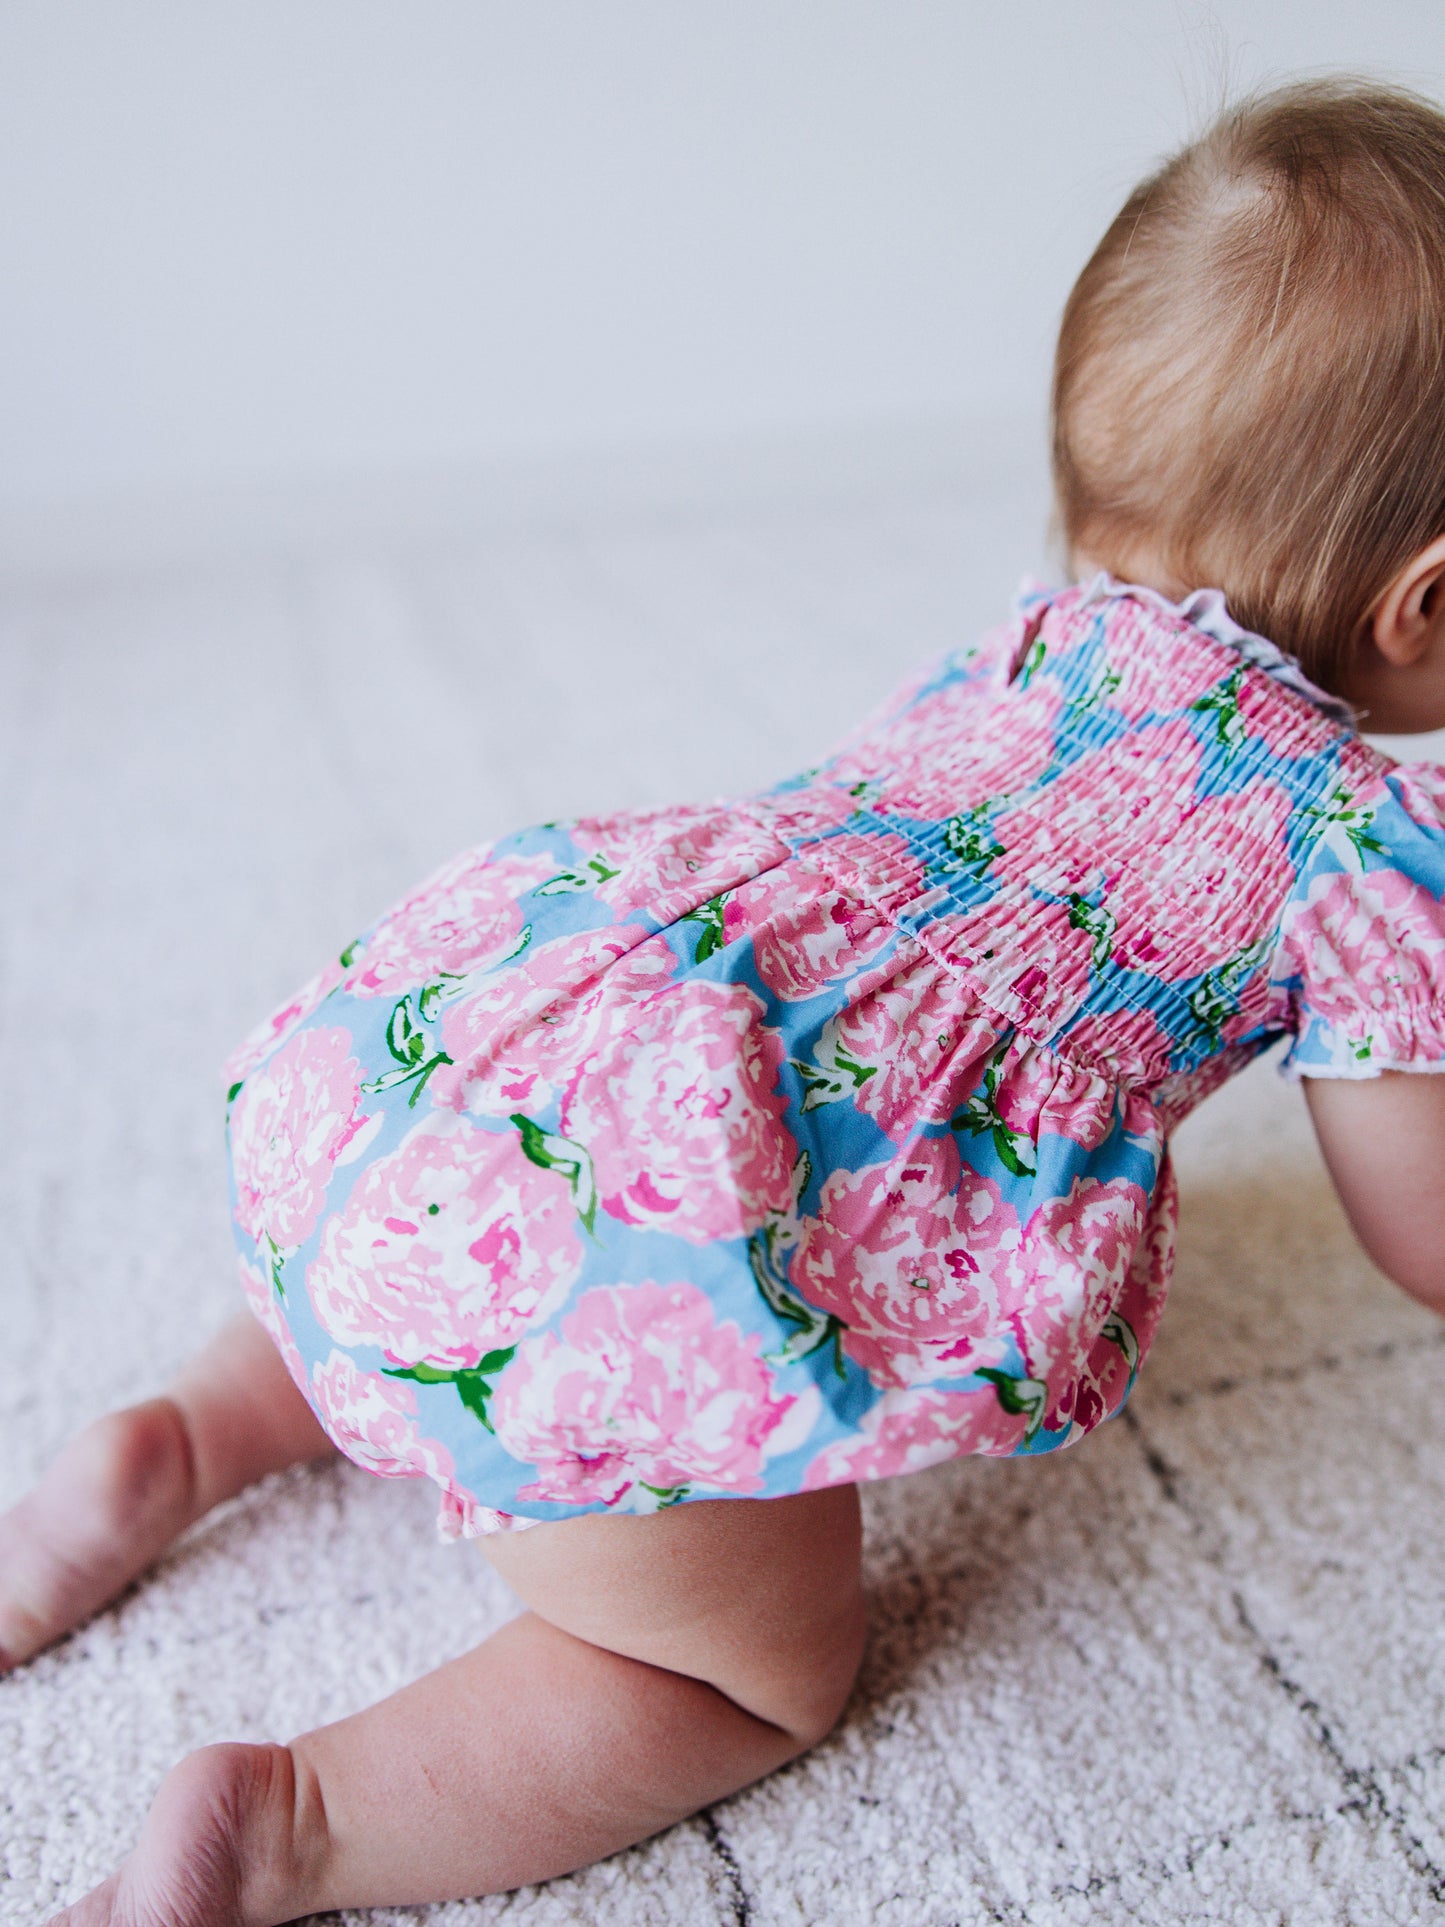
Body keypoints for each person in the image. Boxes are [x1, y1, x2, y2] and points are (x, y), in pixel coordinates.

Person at [9, 75, 1445, 1927]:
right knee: (740, 1673)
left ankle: (190, 1433)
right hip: (653, 1238)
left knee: (467, 1222)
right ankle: (290, 1823)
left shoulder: (1023, 640)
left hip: (484, 1014)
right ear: (1421, 604)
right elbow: (1416, 1236)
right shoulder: (1367, 849)